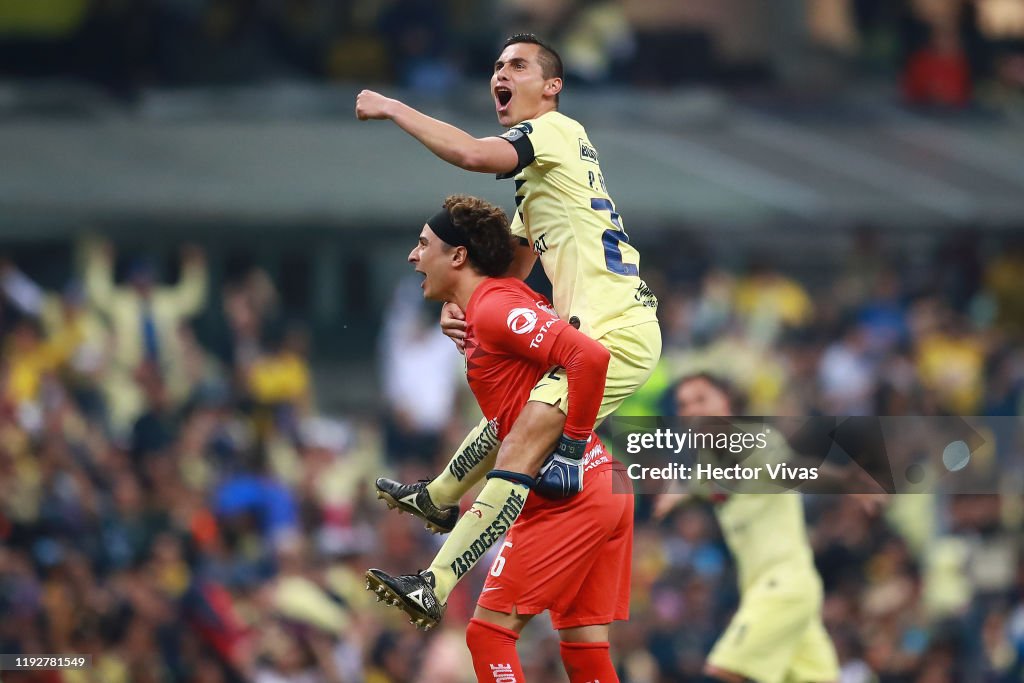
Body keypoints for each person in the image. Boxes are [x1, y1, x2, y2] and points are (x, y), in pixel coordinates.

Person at [356, 33, 660, 537]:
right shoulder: (545, 184)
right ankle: (439, 498)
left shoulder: (554, 130)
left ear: (551, 86)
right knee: (514, 415)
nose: (501, 74)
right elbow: (508, 271)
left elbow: (474, 155)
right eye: (497, 66)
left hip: (613, 329)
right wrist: (463, 304)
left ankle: (438, 580)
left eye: (518, 66)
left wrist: (392, 107)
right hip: (606, 324)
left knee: (521, 440)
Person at [366, 195, 632, 683]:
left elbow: (589, 359)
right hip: (602, 485)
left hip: (569, 490)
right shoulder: (488, 308)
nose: (412, 255)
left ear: (459, 256)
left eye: (423, 244)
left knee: (487, 634)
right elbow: (509, 418)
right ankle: (435, 500)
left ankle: (435, 562)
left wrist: (570, 448)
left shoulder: (494, 307)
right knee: (583, 650)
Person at [653, 373, 885, 683]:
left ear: (726, 401)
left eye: (701, 399)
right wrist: (679, 495)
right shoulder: (707, 461)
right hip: (779, 594)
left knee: (725, 671)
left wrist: (843, 480)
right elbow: (705, 485)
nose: (692, 409)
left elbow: (793, 469)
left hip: (782, 586)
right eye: (684, 404)